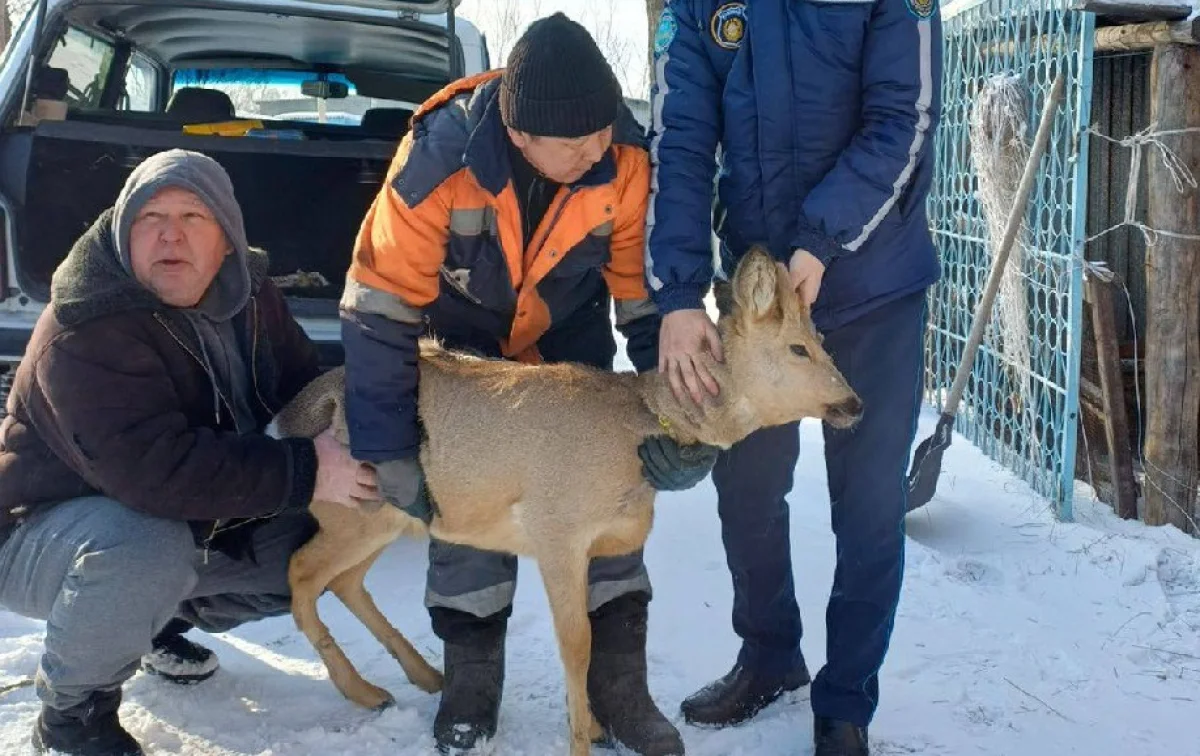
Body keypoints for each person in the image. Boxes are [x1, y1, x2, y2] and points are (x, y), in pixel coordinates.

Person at [339, 12, 714, 756]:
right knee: (466, 509)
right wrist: (388, 446)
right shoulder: (436, 161)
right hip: (463, 346)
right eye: (574, 142)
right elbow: (378, 309)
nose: (594, 150)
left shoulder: (625, 158)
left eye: (602, 131)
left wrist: (676, 420)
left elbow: (646, 306)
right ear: (517, 133)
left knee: (612, 495)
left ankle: (620, 686)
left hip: (567, 342)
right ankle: (471, 678)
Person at [0, 149, 373, 756]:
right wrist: (308, 469)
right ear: (122, 234)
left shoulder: (251, 296)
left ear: (227, 239)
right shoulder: (85, 325)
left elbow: (303, 385)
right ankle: (72, 717)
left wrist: (371, 432)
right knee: (146, 546)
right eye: (150, 218)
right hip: (39, 533)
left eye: (193, 216)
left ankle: (148, 626)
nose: (171, 234)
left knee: (315, 548)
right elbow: (154, 473)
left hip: (161, 516)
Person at [645, 1, 944, 754]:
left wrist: (820, 241)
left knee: (869, 505)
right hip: (758, 308)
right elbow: (680, 139)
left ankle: (845, 704)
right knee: (746, 489)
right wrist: (678, 294)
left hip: (872, 287)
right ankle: (770, 654)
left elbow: (902, 118)